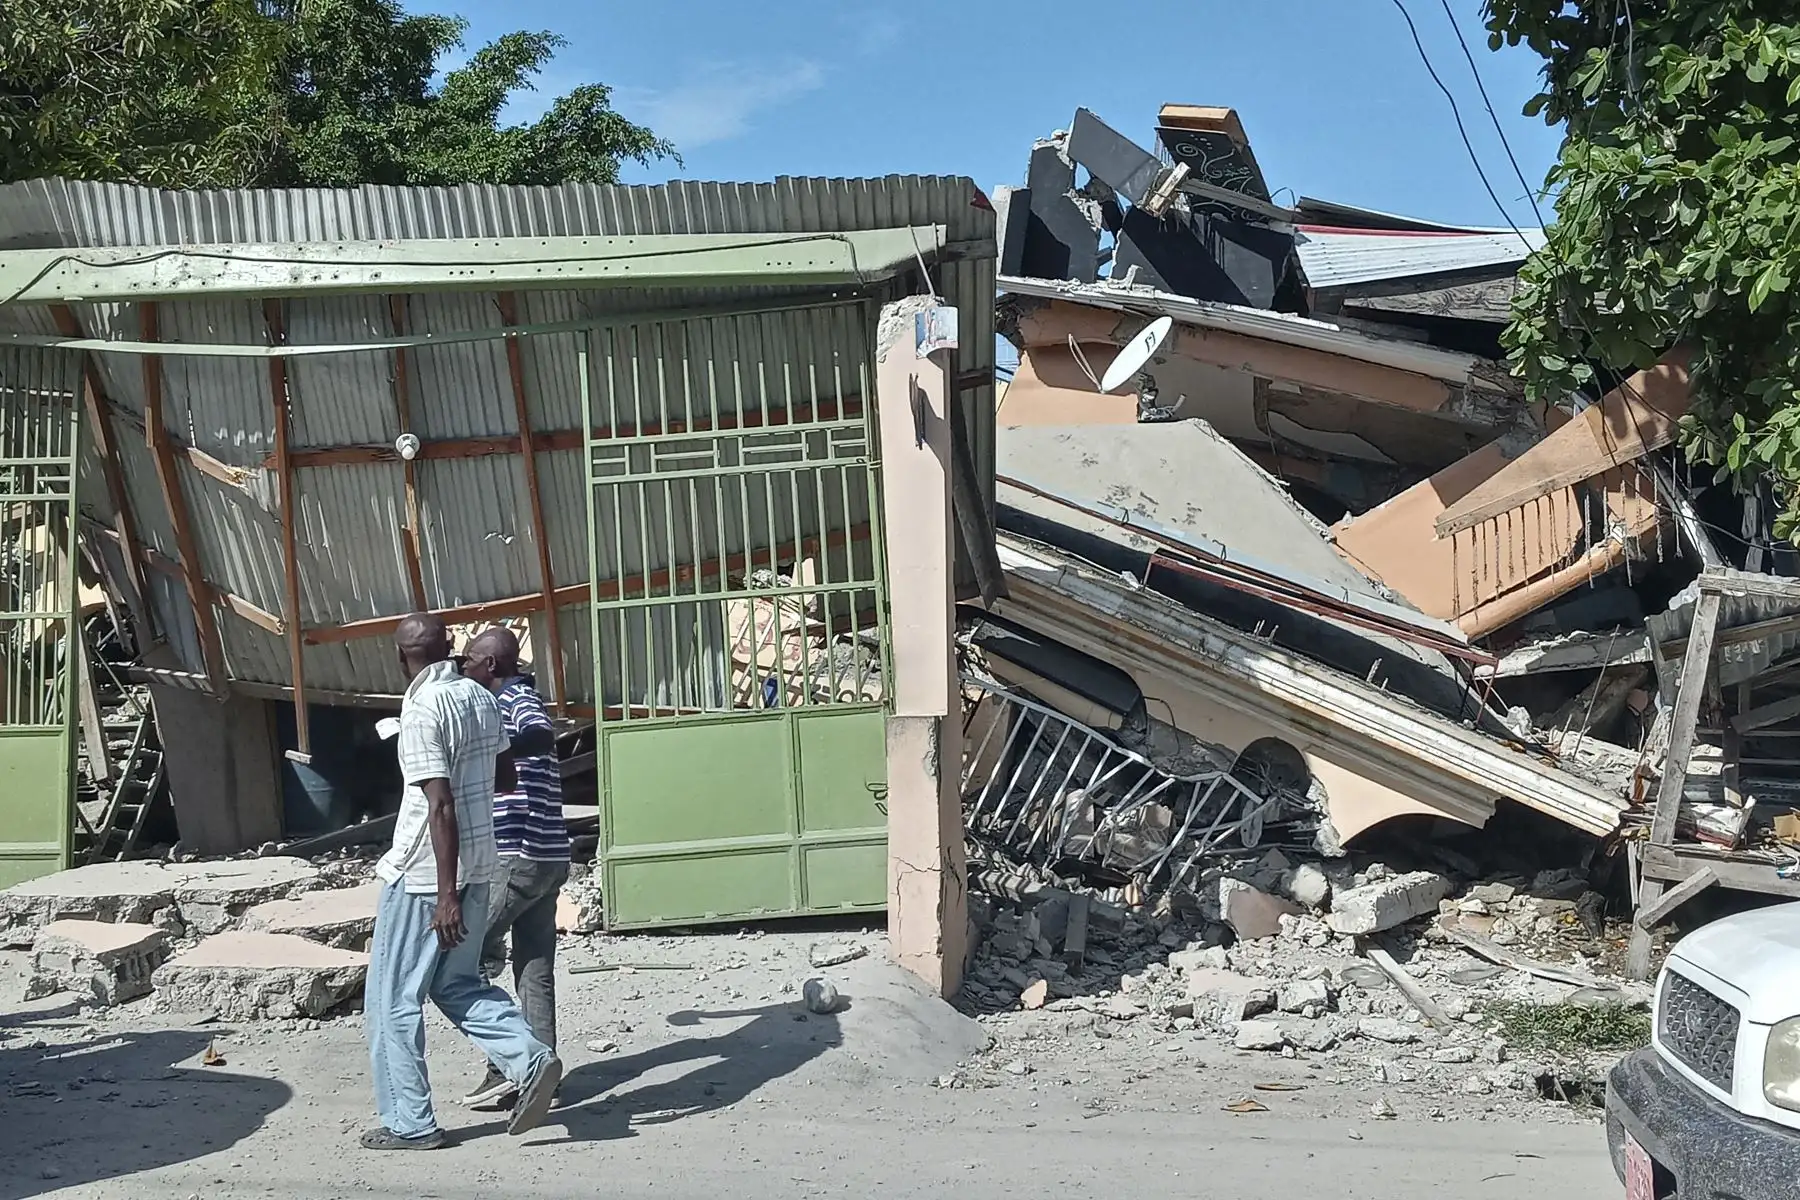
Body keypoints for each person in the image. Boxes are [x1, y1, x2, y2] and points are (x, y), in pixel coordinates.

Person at [361, 613, 563, 1150]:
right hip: (481, 864)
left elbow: (439, 805)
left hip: (428, 875)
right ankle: (532, 1059)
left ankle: (411, 1122)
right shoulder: (479, 699)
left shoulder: (422, 706)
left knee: (392, 1001)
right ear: (448, 646)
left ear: (400, 656)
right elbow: (504, 777)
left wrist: (444, 895)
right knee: (457, 983)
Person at [457, 626, 570, 1109]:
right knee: (534, 969)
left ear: (492, 666)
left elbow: (542, 735)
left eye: (470, 660)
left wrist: (498, 753)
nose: (464, 667)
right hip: (548, 857)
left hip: (518, 856)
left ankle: (510, 1064)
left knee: (465, 955)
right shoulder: (509, 699)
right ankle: (541, 1072)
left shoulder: (515, 698)